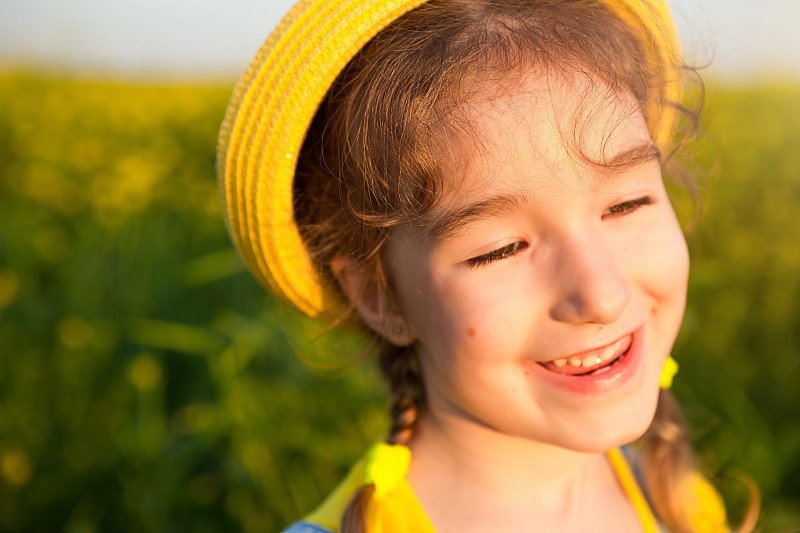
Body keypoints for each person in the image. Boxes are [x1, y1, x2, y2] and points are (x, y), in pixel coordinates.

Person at [217, 0, 758, 531]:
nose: (602, 296)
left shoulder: (679, 502)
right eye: (499, 249)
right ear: (380, 297)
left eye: (625, 205)